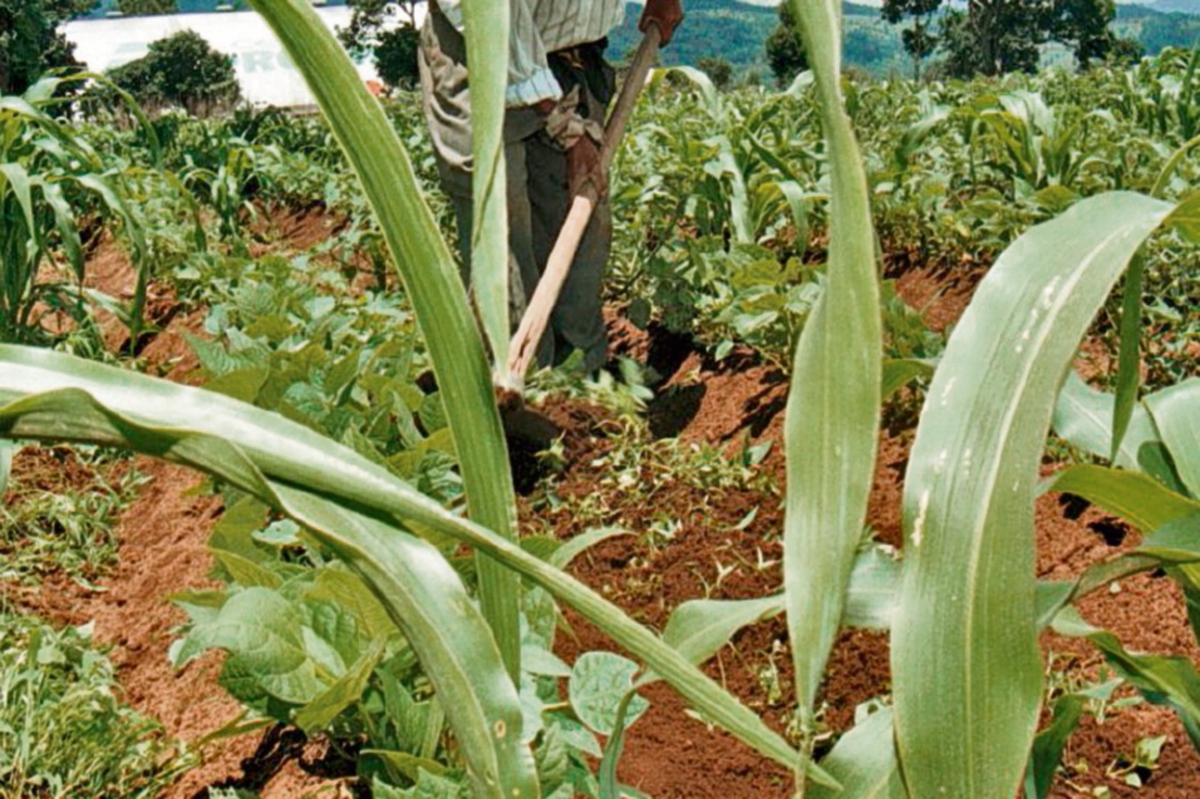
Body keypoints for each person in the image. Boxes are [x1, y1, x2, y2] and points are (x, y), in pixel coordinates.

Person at [419, 0, 684, 374]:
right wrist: (566, 127)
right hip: (481, 47)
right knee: (503, 230)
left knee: (579, 227)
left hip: (571, 54)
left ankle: (580, 381)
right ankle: (519, 383)